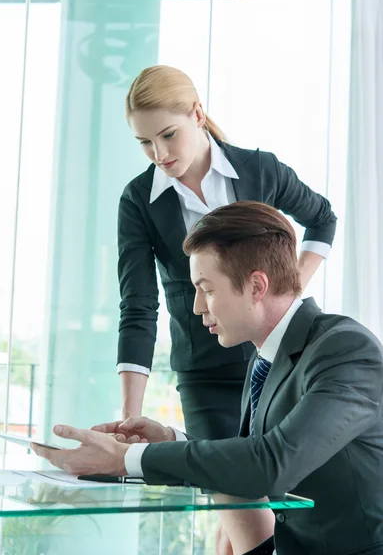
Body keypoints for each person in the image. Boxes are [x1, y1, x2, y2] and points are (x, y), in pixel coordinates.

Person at [34, 201, 383, 555]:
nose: (198, 306)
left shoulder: (346, 349)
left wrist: (127, 457)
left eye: (207, 289)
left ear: (257, 286)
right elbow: (249, 456)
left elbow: (271, 464)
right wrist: (170, 439)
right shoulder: (265, 357)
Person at [118, 64, 337, 443]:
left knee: (278, 481)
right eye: (145, 142)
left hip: (280, 357)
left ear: (198, 114)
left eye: (169, 135)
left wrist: (287, 289)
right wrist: (128, 419)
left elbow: (322, 219)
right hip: (205, 372)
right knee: (221, 485)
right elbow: (138, 306)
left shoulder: (260, 170)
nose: (159, 154)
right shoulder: (139, 201)